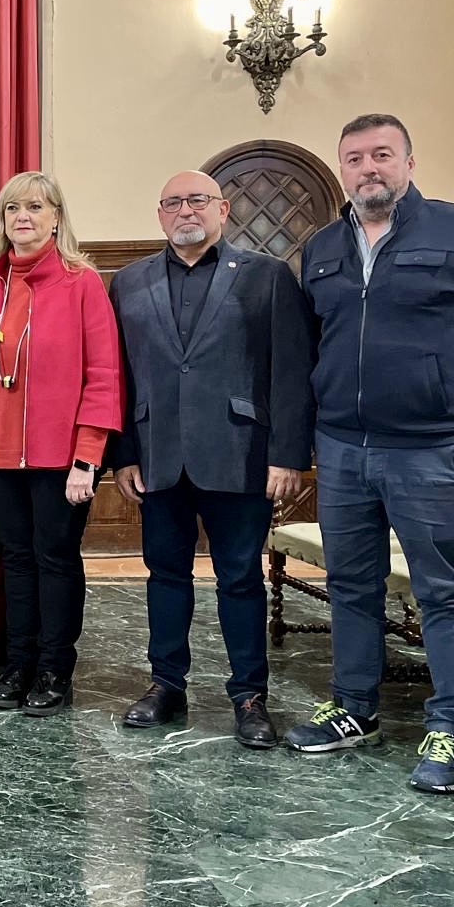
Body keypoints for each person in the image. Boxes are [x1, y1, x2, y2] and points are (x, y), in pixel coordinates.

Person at [285, 114, 454, 792]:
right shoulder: (323, 248)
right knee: (352, 587)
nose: (370, 168)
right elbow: (311, 344)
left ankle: (451, 727)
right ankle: (354, 709)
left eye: (382, 155)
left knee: (444, 592)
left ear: (409, 163)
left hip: (430, 449)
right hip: (341, 449)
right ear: (342, 168)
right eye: (356, 158)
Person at [108, 171, 314, 748]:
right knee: (164, 575)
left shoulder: (267, 277)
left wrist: (288, 455)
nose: (184, 211)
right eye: (172, 202)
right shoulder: (129, 281)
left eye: (196, 200)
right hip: (157, 456)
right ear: (160, 214)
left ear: (223, 210)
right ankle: (166, 685)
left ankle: (249, 696)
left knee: (241, 579)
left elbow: (291, 372)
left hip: (240, 453)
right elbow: (117, 376)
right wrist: (122, 452)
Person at [0, 171, 121, 717]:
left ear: (56, 217)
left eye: (33, 207)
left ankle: (55, 666)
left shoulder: (82, 282)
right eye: (11, 210)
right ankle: (18, 661)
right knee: (17, 559)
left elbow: (103, 374)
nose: (21, 218)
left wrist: (88, 458)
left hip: (61, 460)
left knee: (55, 559)